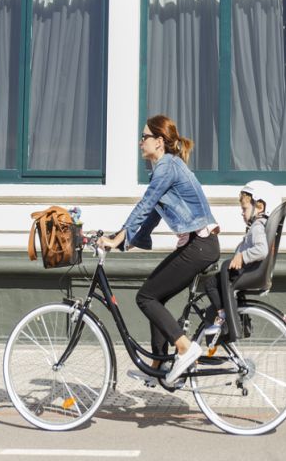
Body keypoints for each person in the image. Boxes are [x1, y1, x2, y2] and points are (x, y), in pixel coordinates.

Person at [99, 115, 220, 384]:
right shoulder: (166, 168)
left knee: (146, 297)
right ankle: (159, 365)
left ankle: (185, 348)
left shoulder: (167, 167)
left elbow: (145, 203)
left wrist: (118, 238)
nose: (140, 142)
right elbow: (151, 215)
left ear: (159, 141)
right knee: (154, 295)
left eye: (145, 137)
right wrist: (121, 240)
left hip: (199, 246)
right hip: (198, 245)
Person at [202, 180, 281, 347]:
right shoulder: (260, 226)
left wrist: (242, 257)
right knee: (213, 300)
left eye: (245, 209)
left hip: (242, 272)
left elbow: (261, 250)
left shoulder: (258, 226)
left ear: (260, 207)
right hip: (247, 271)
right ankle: (220, 324)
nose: (242, 213)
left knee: (210, 284)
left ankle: (222, 315)